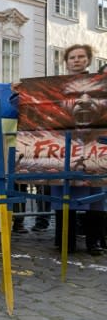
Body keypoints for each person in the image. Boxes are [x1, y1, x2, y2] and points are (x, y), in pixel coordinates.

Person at [53, 44, 105, 255]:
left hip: (95, 147)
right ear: (65, 61)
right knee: (63, 196)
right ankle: (66, 242)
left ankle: (93, 242)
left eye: (81, 57)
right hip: (63, 148)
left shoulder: (100, 84)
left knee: (96, 197)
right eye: (72, 57)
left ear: (88, 60)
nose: (76, 60)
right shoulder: (53, 85)